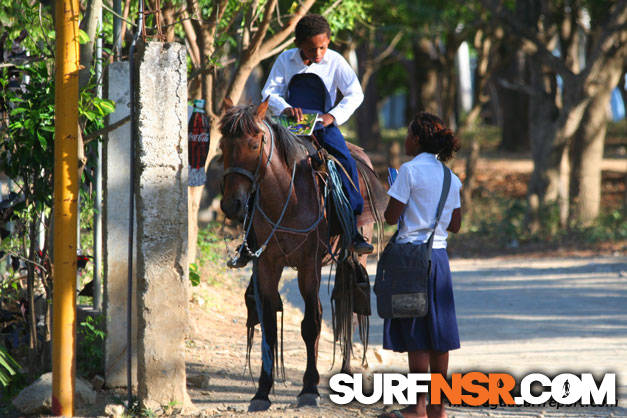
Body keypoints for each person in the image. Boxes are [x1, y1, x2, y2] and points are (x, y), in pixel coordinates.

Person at [262, 14, 372, 253]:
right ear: (299, 44)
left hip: (322, 125)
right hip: (288, 126)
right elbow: (269, 93)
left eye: (323, 46)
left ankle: (352, 229)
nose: (319, 53)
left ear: (329, 41)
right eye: (312, 48)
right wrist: (286, 108)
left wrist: (334, 115)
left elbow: (355, 94)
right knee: (261, 161)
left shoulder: (335, 61)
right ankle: (252, 233)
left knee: (345, 163)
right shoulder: (285, 60)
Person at [381, 112, 462, 418]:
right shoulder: (450, 177)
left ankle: (417, 407)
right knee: (440, 335)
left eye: (408, 134)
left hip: (409, 260)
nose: (404, 139)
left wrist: (406, 210)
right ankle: (438, 409)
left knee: (416, 332)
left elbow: (391, 216)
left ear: (417, 139)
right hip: (438, 259)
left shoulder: (408, 171)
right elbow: (455, 224)